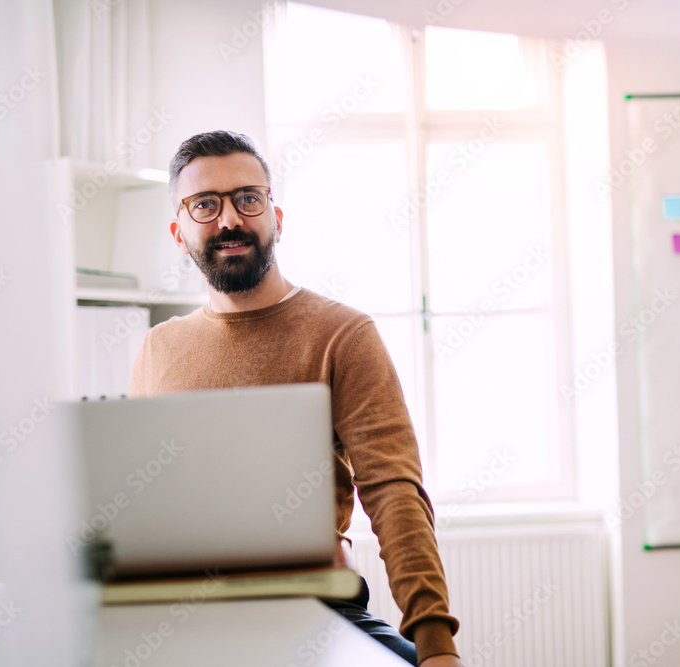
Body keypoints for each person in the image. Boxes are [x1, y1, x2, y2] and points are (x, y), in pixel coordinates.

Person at [129, 131, 465, 666]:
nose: (230, 220)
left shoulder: (343, 335)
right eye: (205, 205)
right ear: (178, 231)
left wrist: (435, 646)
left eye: (248, 198)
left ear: (276, 218)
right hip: (188, 618)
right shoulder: (157, 348)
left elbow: (393, 491)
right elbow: (139, 508)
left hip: (314, 609)